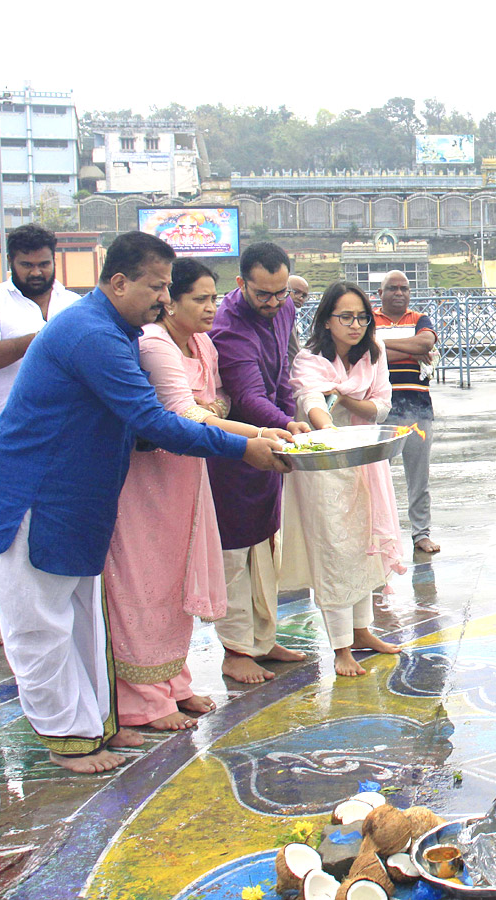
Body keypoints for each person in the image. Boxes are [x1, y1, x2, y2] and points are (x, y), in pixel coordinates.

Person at [0, 232, 289, 773]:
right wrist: (244, 448)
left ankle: (94, 727)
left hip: (79, 496)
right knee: (40, 625)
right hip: (36, 494)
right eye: (157, 287)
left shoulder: (114, 329)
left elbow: (138, 425)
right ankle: (67, 740)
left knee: (82, 621)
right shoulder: (93, 335)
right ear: (119, 281)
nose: (164, 299)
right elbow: (153, 420)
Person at [104, 259, 294, 731]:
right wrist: (253, 434)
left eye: (213, 299)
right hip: (150, 480)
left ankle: (175, 683)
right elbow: (184, 412)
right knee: (144, 581)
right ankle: (143, 698)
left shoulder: (204, 343)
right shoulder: (155, 343)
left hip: (189, 470)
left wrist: (222, 418)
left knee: (176, 578)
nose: (212, 309)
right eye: (199, 299)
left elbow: (215, 403)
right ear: (170, 301)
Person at [283, 281, 405, 676]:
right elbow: (312, 402)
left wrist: (347, 400)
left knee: (364, 545)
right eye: (346, 317)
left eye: (362, 317)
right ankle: (340, 648)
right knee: (334, 550)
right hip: (325, 465)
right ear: (326, 320)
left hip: (366, 458)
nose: (355, 325)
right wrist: (333, 432)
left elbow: (382, 407)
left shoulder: (374, 353)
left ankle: (362, 630)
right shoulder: (309, 358)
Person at [207, 242, 313, 684]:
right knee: (234, 552)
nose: (272, 304)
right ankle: (235, 650)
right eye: (262, 294)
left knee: (267, 546)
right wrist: (287, 423)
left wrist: (292, 421)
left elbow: (282, 376)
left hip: (273, 443)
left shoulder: (284, 309)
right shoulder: (226, 325)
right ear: (240, 284)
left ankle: (263, 640)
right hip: (235, 449)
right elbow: (248, 397)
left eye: (280, 293)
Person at [373, 270, 440, 554]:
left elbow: (426, 343)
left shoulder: (420, 319)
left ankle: (420, 533)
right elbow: (367, 353)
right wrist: (409, 351)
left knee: (419, 477)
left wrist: (381, 345)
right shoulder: (369, 320)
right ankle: (378, 535)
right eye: (392, 288)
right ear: (380, 294)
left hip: (418, 408)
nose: (399, 293)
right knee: (375, 477)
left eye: (404, 288)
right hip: (380, 409)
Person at [0, 224, 83, 427]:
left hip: (64, 429)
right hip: (5, 429)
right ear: (10, 262)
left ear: (54, 260)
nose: (36, 272)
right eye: (27, 265)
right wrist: (42, 339)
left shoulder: (75, 304)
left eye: (44, 264)